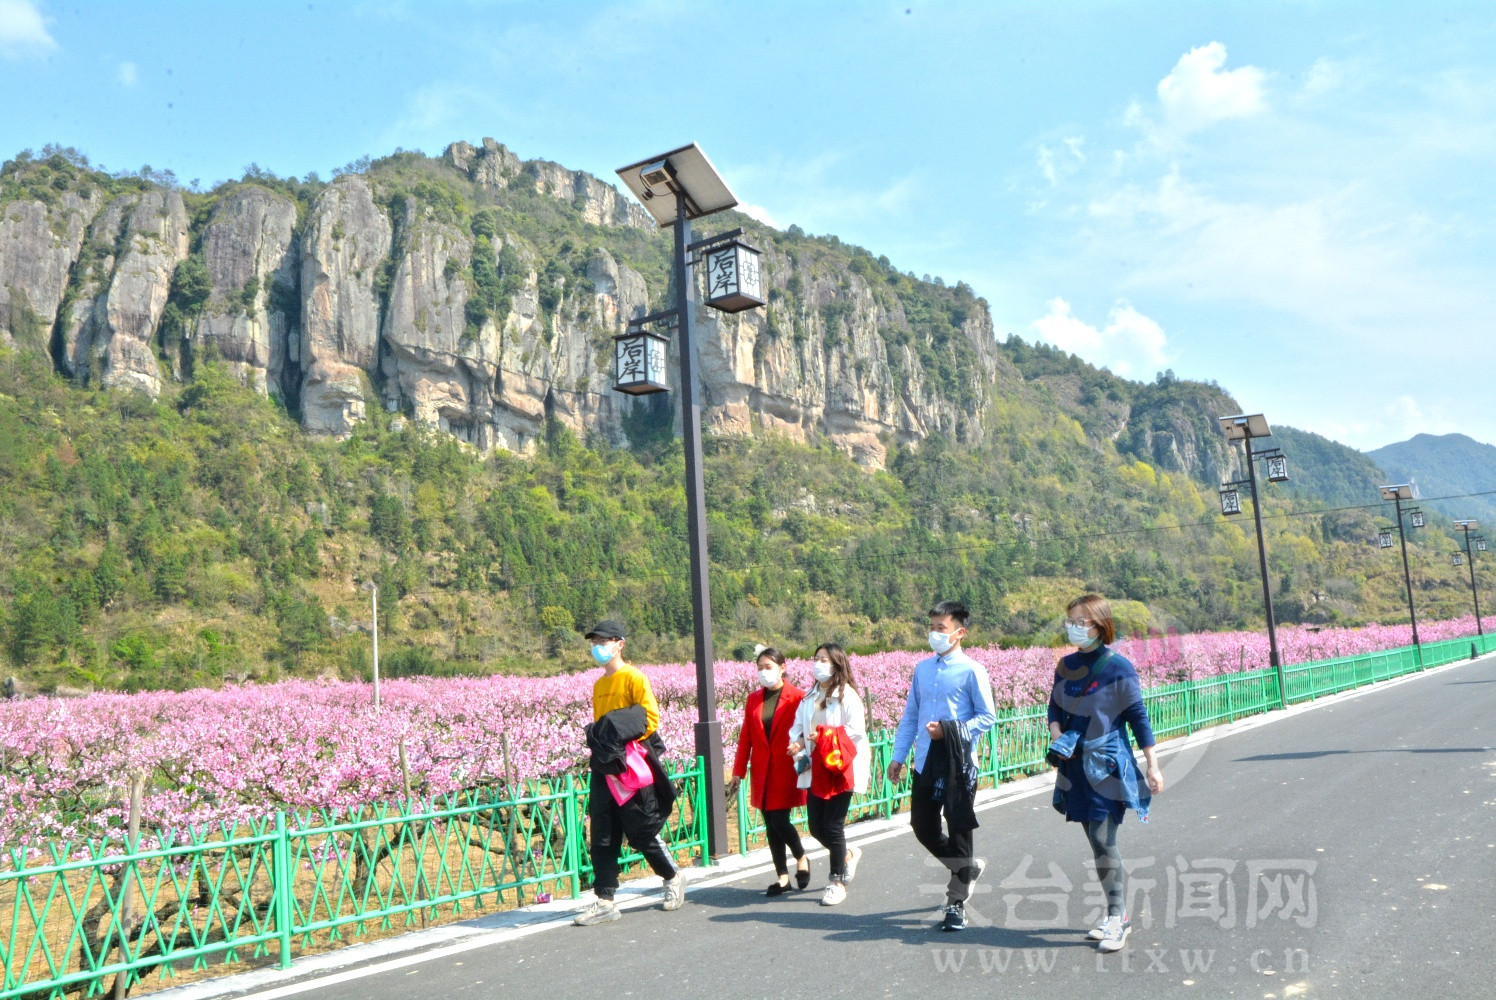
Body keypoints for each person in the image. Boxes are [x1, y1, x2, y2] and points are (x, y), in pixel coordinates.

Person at [1046, 594, 1165, 953]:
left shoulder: (1119, 668)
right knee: (1095, 841)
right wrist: (1058, 738)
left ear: (1099, 625)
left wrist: (1153, 764)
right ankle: (1114, 913)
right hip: (1075, 766)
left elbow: (1137, 718)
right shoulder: (1065, 665)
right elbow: (1053, 706)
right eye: (1070, 620)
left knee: (1102, 839)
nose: (1073, 627)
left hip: (1107, 765)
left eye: (1080, 621)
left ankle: (1119, 917)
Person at [887, 599, 997, 932]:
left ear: (959, 633)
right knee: (923, 826)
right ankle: (965, 868)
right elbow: (910, 718)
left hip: (959, 766)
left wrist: (950, 730)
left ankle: (956, 902)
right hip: (925, 763)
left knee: (959, 830)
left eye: (942, 628)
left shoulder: (972, 671)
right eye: (932, 627)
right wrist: (898, 756)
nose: (935, 634)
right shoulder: (922, 669)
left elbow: (987, 717)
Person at [573, 619, 687, 926]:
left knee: (640, 829)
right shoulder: (599, 685)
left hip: (631, 764)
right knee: (603, 833)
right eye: (594, 641)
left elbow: (650, 719)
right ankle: (605, 899)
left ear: (619, 644)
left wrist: (616, 733)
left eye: (603, 641)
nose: (598, 647)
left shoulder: (634, 677)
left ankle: (672, 877)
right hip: (606, 765)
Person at [788, 643, 869, 906]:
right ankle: (846, 856)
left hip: (840, 769)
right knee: (815, 827)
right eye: (816, 659)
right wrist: (798, 744)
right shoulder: (809, 696)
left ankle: (837, 882)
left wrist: (823, 736)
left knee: (833, 826)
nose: (818, 664)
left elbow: (855, 732)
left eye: (824, 659)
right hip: (816, 769)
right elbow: (799, 728)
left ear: (836, 664)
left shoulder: (848, 697)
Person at [729, 646, 811, 895]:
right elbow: (746, 737)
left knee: (779, 821)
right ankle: (783, 878)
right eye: (760, 667)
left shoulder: (798, 697)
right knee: (770, 824)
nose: (764, 672)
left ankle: (801, 857)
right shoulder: (754, 699)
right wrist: (738, 771)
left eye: (769, 667)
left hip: (786, 767)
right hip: (762, 770)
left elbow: (806, 731)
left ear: (782, 668)